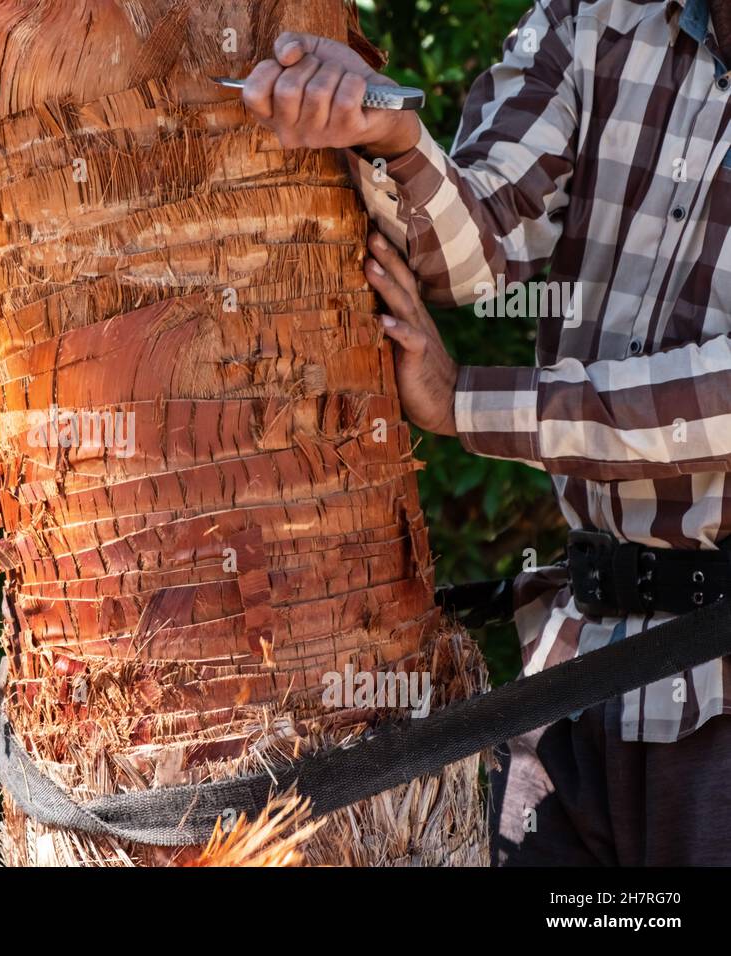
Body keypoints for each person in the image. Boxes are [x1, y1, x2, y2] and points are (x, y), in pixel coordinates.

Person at [241, 0, 731, 865]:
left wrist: (469, 401)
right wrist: (391, 136)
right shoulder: (598, 18)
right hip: (581, 672)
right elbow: (477, 247)